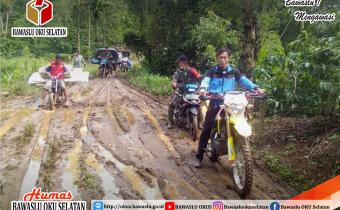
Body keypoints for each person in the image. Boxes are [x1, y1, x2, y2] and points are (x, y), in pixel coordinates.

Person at [194, 47, 265, 168]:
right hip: (215, 102)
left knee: (240, 120)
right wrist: (202, 89)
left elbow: (245, 81)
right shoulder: (212, 71)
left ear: (228, 58)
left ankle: (238, 144)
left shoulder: (234, 72)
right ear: (217, 58)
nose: (222, 60)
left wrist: (256, 88)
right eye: (220, 57)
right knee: (206, 129)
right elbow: (205, 81)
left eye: (225, 57)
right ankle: (199, 157)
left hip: (230, 103)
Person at [167, 55, 201, 129]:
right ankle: (170, 122)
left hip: (192, 91)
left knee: (198, 104)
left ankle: (200, 123)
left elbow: (199, 78)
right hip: (180, 91)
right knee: (171, 104)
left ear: (183, 62)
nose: (179, 64)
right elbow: (174, 80)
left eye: (179, 62)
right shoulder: (178, 71)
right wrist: (174, 84)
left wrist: (200, 85)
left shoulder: (192, 70)